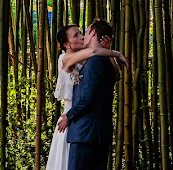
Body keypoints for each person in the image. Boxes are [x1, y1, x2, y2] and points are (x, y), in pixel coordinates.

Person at [45, 24, 126, 170]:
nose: (82, 37)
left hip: (82, 120)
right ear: (66, 44)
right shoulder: (66, 58)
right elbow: (94, 50)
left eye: (81, 33)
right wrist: (116, 53)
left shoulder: (88, 60)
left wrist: (108, 52)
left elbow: (116, 75)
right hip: (70, 120)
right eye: (75, 35)